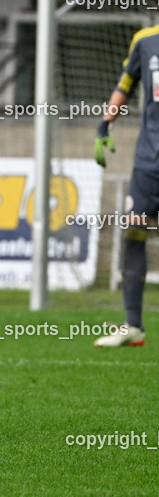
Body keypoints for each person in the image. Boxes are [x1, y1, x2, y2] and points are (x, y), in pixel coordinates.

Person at [91, 23, 159, 347]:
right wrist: (105, 122)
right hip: (149, 160)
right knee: (134, 230)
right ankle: (133, 325)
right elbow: (125, 84)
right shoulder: (144, 41)